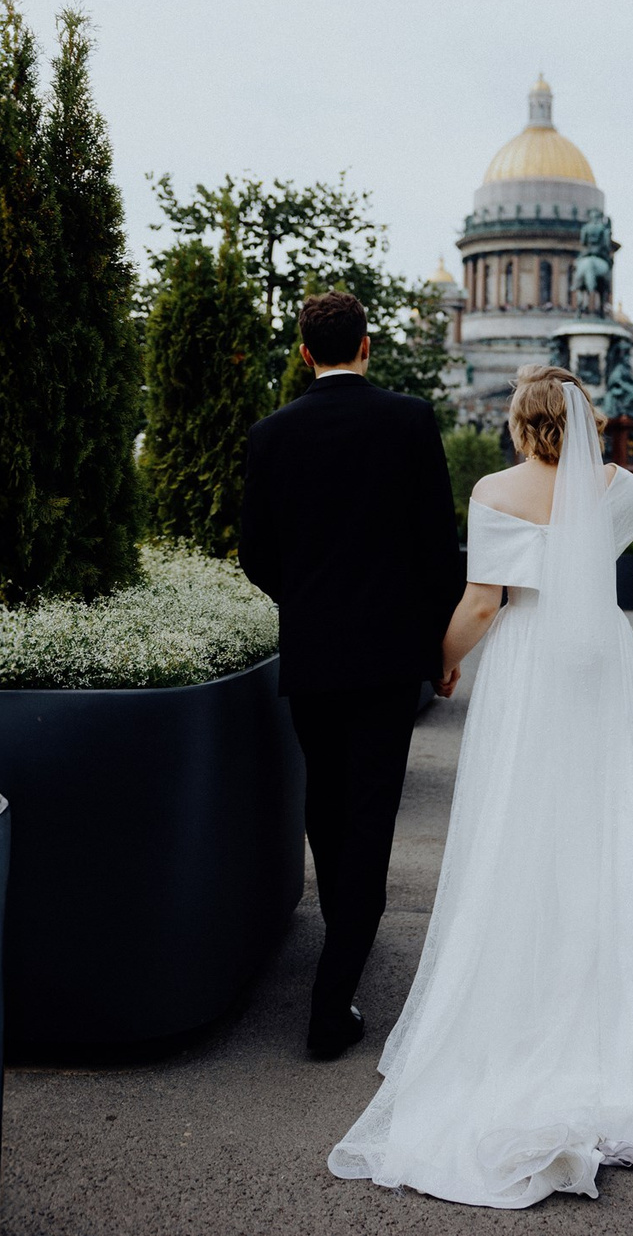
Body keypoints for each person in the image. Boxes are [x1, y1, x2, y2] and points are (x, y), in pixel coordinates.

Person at [329, 363, 633, 1207]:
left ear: (517, 423)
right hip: (600, 661)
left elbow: (483, 603)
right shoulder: (609, 485)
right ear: (578, 424)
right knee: (604, 819)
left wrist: (442, 662)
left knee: (517, 819)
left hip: (529, 665)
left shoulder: (494, 490)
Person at [239, 291, 463, 1060]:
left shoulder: (270, 435)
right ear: (367, 345)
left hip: (313, 653)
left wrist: (306, 602)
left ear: (305, 352)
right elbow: (439, 546)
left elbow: (255, 555)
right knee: (368, 817)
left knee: (326, 811)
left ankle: (340, 961)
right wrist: (438, 645)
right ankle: (332, 1000)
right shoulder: (408, 420)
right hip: (388, 656)